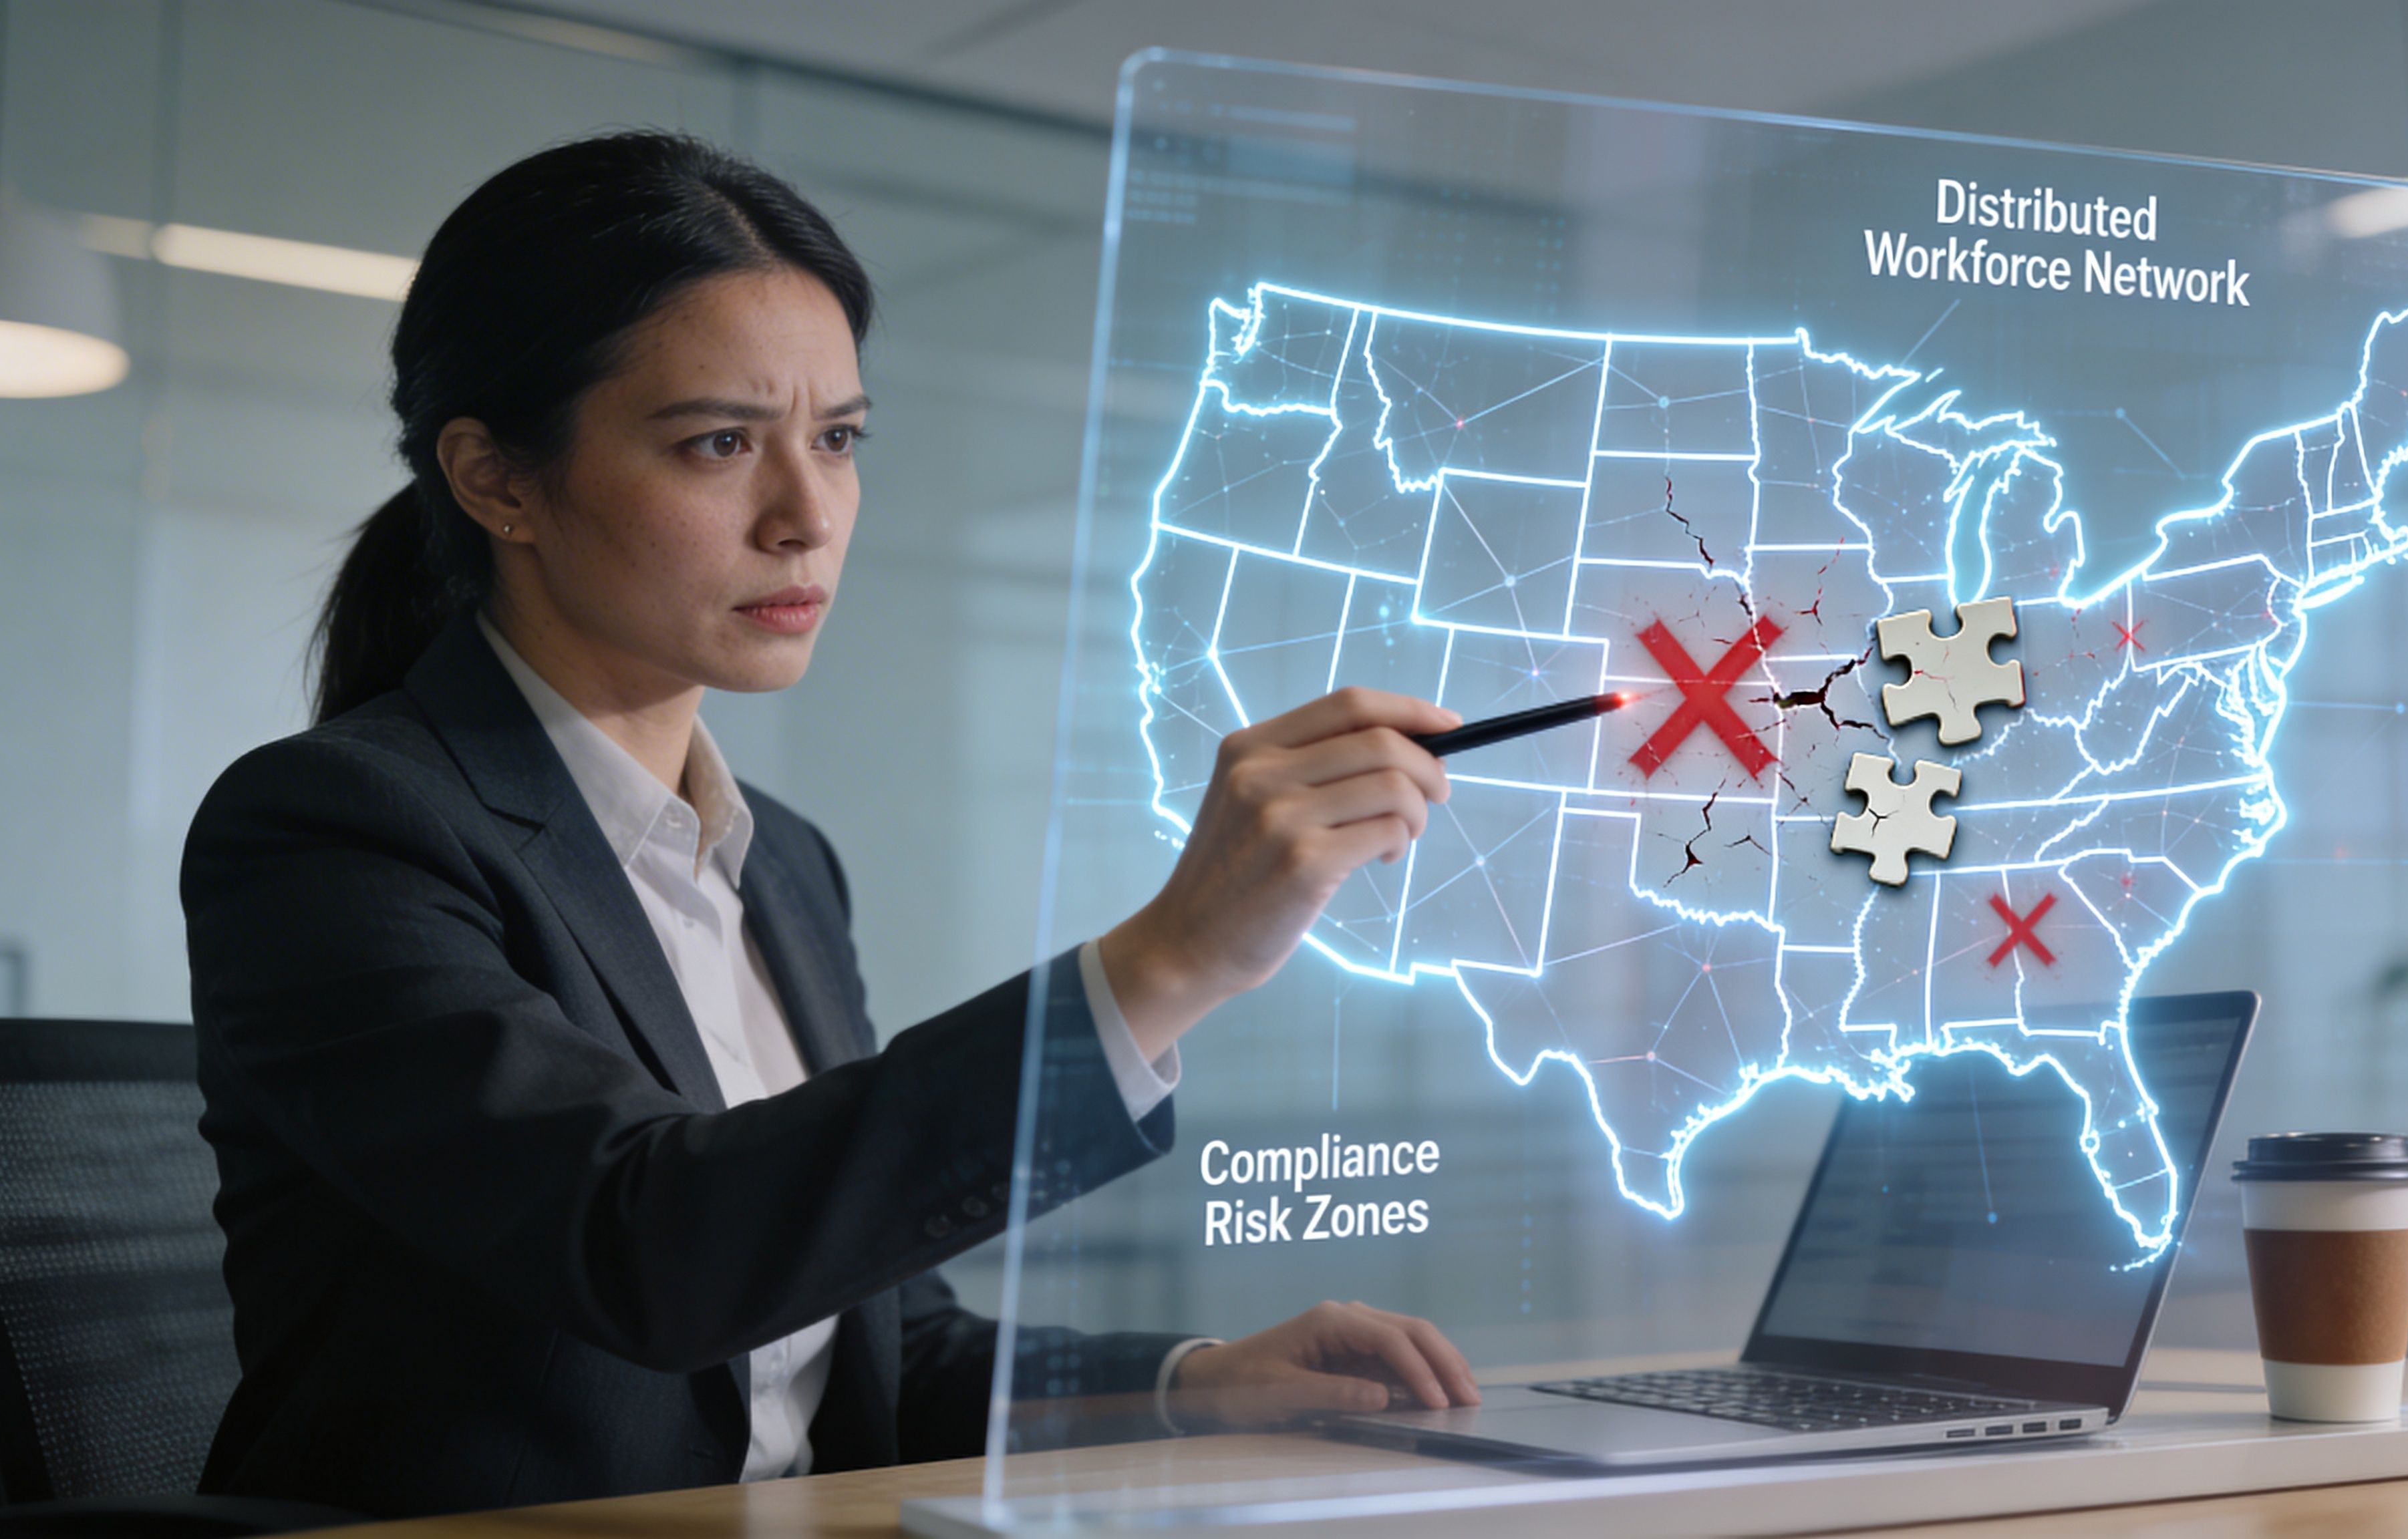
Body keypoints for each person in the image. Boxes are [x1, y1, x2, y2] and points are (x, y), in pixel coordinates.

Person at [180, 131, 1478, 1520]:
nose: (808, 516)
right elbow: (652, 1252)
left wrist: (1187, 1382)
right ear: (498, 482)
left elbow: (874, 1343)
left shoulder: (780, 861)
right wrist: (1169, 959)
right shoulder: (334, 828)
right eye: (719, 444)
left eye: (839, 439)